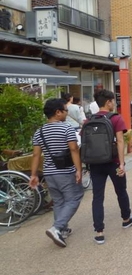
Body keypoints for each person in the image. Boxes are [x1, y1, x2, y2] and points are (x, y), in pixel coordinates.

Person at [29, 98, 83, 248]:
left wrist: (33, 175)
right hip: (65, 172)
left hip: (49, 173)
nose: (67, 113)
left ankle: (63, 230)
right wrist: (79, 169)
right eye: (65, 110)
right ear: (58, 113)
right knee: (74, 198)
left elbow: (36, 155)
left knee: (59, 201)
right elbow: (74, 149)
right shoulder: (66, 129)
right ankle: (57, 227)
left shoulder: (39, 132)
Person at [90, 89, 132, 244]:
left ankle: (99, 231)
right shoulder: (116, 118)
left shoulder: (89, 120)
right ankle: (126, 218)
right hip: (114, 162)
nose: (114, 103)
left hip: (95, 163)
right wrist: (122, 163)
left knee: (97, 196)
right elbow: (120, 141)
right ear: (108, 102)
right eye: (113, 101)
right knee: (121, 190)